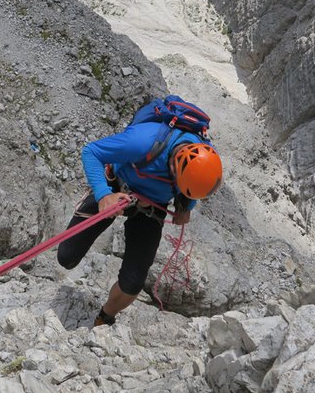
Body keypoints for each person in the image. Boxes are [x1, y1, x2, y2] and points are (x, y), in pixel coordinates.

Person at [57, 119, 223, 326]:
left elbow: (195, 187)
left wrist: (186, 207)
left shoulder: (205, 157)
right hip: (115, 188)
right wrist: (103, 195)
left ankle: (104, 318)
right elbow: (91, 152)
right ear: (173, 166)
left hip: (151, 209)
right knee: (67, 257)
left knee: (132, 284)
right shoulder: (143, 141)